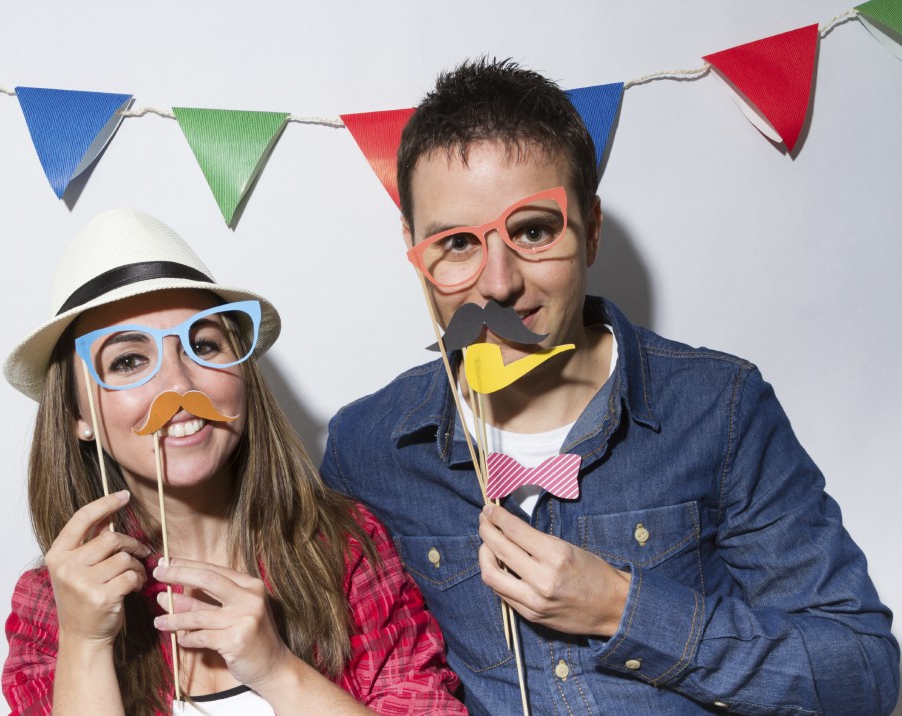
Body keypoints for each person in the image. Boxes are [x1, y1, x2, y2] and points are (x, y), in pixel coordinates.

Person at [320, 58, 900, 714]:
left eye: (533, 230)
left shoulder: (719, 409)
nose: (500, 283)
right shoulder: (368, 450)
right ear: (415, 251)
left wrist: (622, 608)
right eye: (457, 243)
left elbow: (863, 671)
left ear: (590, 230)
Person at [1, 209, 466, 716]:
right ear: (77, 414)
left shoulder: (346, 550)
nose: (179, 386)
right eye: (129, 361)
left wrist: (277, 671)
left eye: (203, 346)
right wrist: (86, 646)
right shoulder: (52, 603)